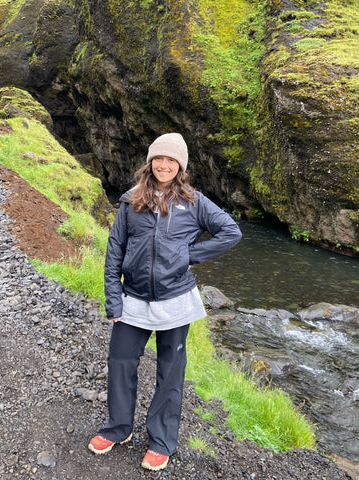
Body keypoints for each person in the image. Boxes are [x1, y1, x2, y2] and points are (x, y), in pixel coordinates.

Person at [88, 133, 242, 470]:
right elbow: (114, 252)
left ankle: (161, 441)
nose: (164, 165)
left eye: (171, 160)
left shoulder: (195, 201)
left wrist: (190, 254)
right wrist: (113, 300)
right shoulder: (130, 201)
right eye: (159, 158)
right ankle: (118, 428)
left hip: (175, 300)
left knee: (171, 373)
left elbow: (231, 231)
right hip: (133, 299)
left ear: (180, 166)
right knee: (120, 363)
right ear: (150, 161)